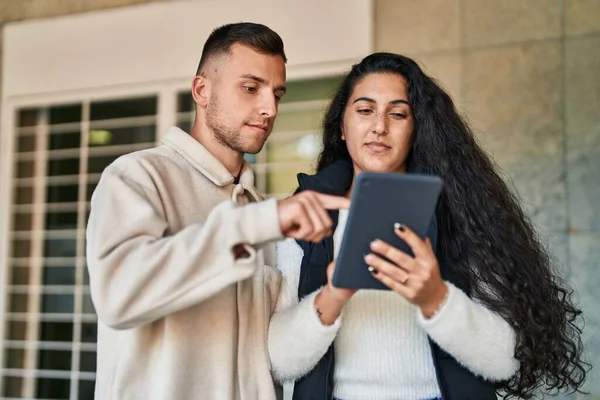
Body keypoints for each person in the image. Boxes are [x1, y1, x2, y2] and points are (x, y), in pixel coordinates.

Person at [272, 52, 589, 400]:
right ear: (342, 128)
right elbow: (279, 362)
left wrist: (436, 298)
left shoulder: (460, 216)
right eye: (365, 110)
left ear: (416, 129)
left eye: (398, 113)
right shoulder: (302, 216)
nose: (380, 126)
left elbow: (504, 361)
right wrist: (333, 295)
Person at [86, 22, 350, 400]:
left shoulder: (260, 211)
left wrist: (335, 292)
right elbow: (118, 295)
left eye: (277, 93)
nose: (269, 108)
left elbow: (273, 356)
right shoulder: (137, 176)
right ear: (201, 90)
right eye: (250, 87)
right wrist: (260, 223)